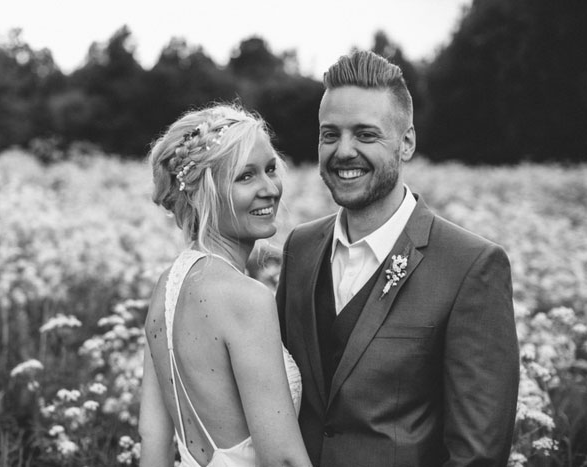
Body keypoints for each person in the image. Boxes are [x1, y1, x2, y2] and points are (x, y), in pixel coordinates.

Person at [276, 50, 520, 467]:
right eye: (329, 134)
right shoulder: (299, 248)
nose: (344, 151)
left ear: (406, 143)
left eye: (366, 135)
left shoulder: (471, 267)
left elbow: (478, 455)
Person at [139, 103, 312, 467]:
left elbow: (152, 440)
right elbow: (282, 459)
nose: (270, 188)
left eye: (269, 169)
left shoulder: (165, 288)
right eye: (245, 177)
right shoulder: (245, 298)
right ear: (205, 192)